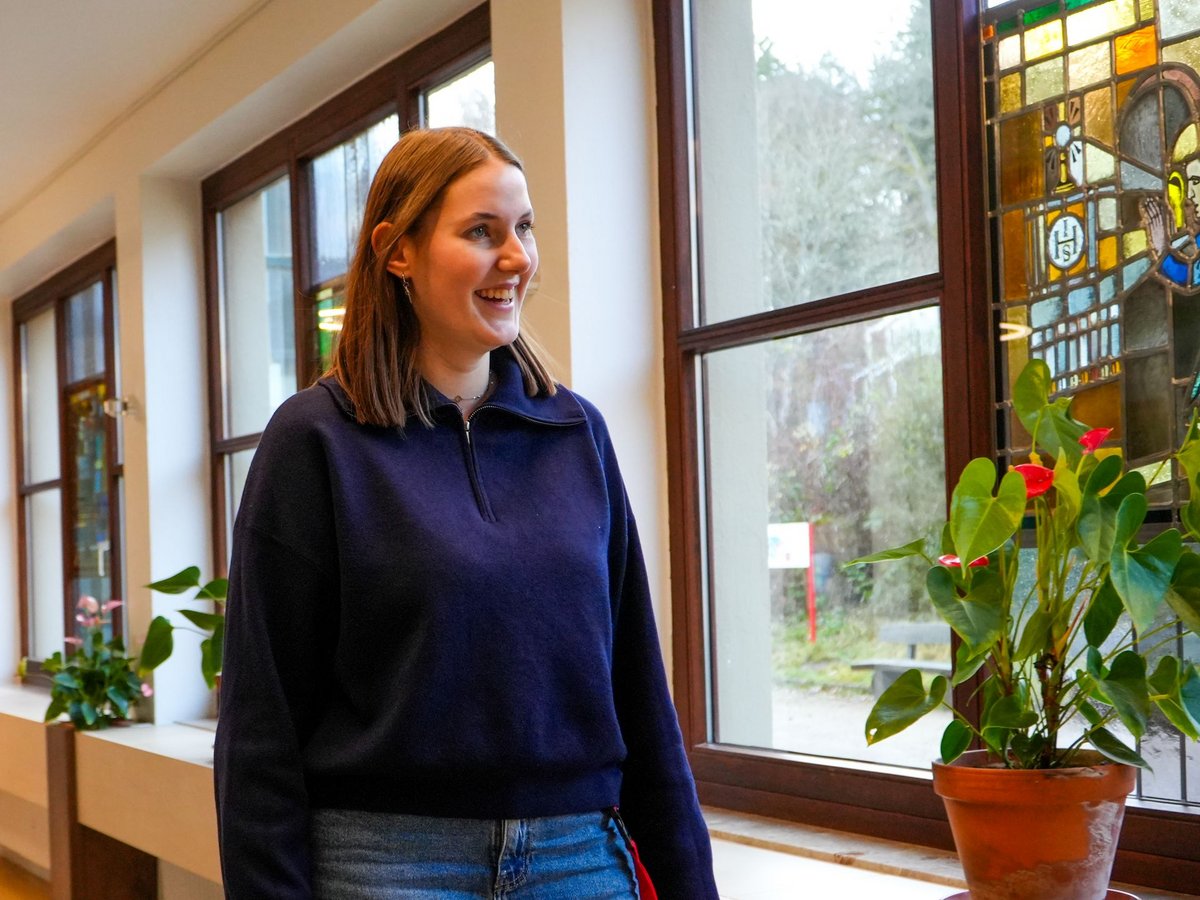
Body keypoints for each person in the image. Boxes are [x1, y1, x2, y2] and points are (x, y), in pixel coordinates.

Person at [214, 126, 719, 899]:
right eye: (481, 232)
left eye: (523, 228)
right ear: (398, 251)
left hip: (578, 858)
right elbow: (260, 729)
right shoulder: (315, 440)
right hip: (385, 866)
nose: (516, 257)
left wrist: (691, 884)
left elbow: (639, 690)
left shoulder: (575, 433)